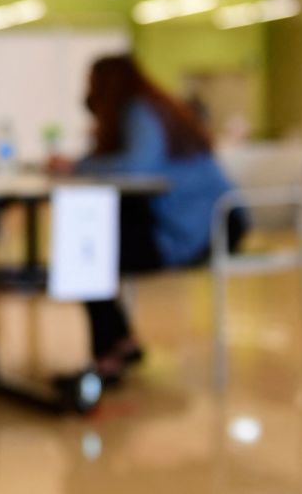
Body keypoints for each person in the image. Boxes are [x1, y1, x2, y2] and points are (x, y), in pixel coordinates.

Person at [48, 55, 246, 381]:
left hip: (200, 228)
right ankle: (120, 342)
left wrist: (77, 167)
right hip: (210, 220)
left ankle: (110, 351)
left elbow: (135, 166)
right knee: (90, 243)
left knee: (84, 251)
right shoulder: (156, 108)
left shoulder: (139, 111)